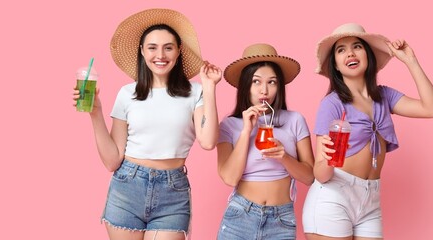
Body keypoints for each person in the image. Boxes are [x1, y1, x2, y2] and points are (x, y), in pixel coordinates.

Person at [72, 8, 222, 240]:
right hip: (127, 188)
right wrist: (96, 113)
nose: (160, 55)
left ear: (179, 51)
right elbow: (112, 160)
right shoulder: (127, 94)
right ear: (142, 51)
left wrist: (210, 87)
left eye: (168, 47)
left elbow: (209, 141)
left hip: (173, 192)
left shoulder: (196, 92)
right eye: (152, 47)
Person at [302, 23, 433, 240]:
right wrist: (329, 160)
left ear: (368, 56)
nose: (350, 52)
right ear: (336, 66)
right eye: (341, 50)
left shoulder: (384, 97)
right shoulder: (332, 104)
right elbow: (320, 174)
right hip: (333, 196)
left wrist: (410, 61)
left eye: (357, 46)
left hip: (370, 199)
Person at [216, 43, 315, 239]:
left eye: (272, 82)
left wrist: (283, 157)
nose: (264, 90)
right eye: (256, 82)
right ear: (246, 85)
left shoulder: (294, 120)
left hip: (281, 219)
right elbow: (229, 178)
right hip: (240, 216)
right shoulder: (229, 125)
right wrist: (246, 131)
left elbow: (310, 177)